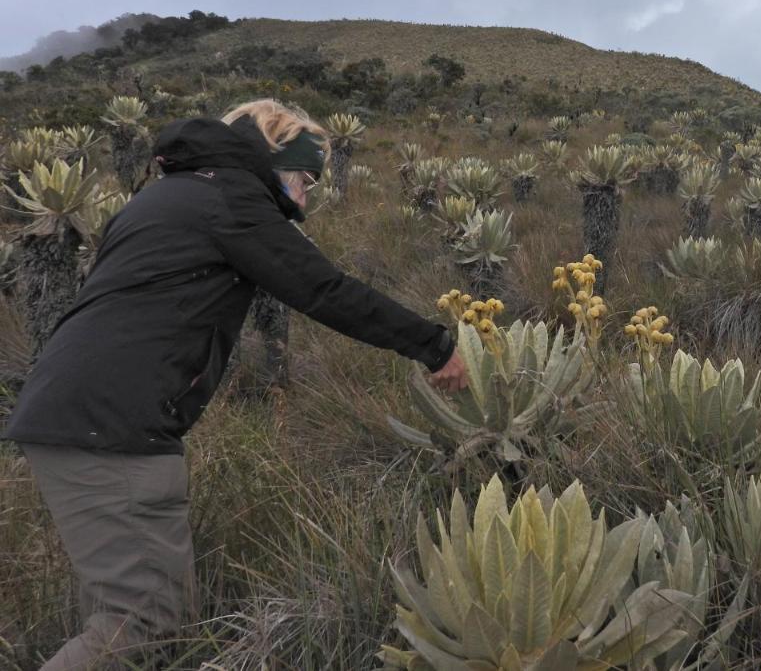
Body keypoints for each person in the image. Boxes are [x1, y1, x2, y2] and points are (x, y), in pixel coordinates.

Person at [2, 99, 468, 670]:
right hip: (113, 428)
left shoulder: (166, 195)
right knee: (143, 623)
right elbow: (322, 289)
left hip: (74, 414)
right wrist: (433, 346)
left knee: (120, 617)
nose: (305, 200)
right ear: (275, 165)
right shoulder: (230, 199)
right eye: (304, 181)